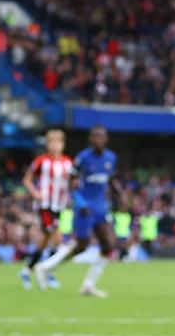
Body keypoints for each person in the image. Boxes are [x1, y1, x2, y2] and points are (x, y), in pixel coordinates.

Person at [34, 126, 126, 297]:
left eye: (101, 137)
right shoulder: (83, 158)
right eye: (95, 137)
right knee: (81, 246)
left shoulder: (110, 158)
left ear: (106, 140)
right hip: (84, 208)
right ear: (90, 140)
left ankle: (88, 284)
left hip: (100, 207)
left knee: (108, 245)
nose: (98, 140)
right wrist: (80, 201)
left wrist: (120, 197)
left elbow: (111, 179)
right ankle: (45, 267)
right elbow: (70, 183)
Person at [19, 128, 72, 291]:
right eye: (52, 142)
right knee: (58, 238)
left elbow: (70, 183)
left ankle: (27, 270)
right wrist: (35, 193)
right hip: (44, 205)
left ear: (63, 144)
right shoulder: (41, 161)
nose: (55, 146)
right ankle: (48, 272)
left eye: (59, 142)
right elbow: (27, 180)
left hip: (59, 205)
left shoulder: (68, 162)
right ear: (48, 144)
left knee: (44, 242)